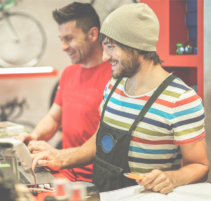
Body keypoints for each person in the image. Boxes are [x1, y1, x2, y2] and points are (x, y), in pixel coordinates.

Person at [32, 3, 209, 193]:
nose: (105, 57)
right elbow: (98, 142)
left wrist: (173, 177)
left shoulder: (182, 100)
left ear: (137, 46)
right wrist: (61, 157)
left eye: (111, 47)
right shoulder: (113, 86)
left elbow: (200, 166)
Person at [15, 2, 112, 182]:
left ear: (92, 34)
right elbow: (54, 118)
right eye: (61, 39)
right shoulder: (69, 73)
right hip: (63, 173)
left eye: (69, 38)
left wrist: (58, 155)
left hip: (94, 180)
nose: (64, 46)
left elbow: (101, 140)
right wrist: (34, 135)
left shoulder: (114, 77)